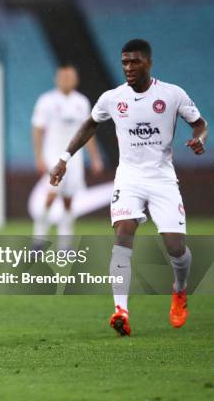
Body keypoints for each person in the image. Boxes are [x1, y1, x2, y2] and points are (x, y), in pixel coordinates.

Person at [50, 39, 208, 336]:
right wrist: (64, 158)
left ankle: (180, 290)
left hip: (162, 179)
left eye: (134, 62)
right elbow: (89, 125)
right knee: (123, 233)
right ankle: (120, 310)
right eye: (124, 62)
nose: (128, 68)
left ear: (148, 63)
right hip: (129, 178)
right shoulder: (113, 97)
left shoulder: (172, 95)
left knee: (176, 248)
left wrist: (199, 139)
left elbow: (200, 123)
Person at [31, 65, 103, 248]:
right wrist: (39, 156)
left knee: (69, 200)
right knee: (50, 195)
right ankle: (39, 239)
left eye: (70, 77)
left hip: (75, 159)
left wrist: (95, 158)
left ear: (76, 80)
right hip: (52, 156)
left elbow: (87, 133)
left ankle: (65, 245)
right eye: (63, 77)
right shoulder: (46, 100)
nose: (66, 81)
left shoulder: (82, 102)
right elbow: (38, 129)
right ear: (57, 79)